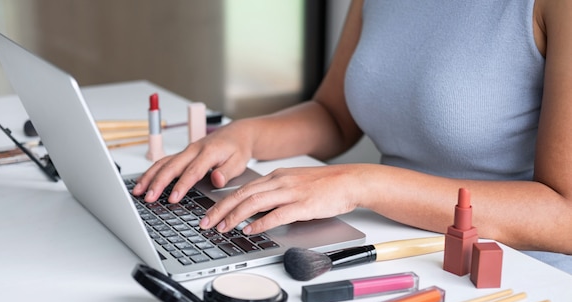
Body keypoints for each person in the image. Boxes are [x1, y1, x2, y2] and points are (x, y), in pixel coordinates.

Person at [132, 0, 572, 274]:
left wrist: (364, 184)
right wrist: (246, 135)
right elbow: (335, 115)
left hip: (514, 276)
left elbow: (565, 217)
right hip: (386, 245)